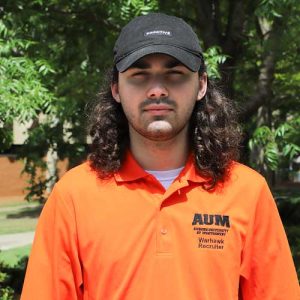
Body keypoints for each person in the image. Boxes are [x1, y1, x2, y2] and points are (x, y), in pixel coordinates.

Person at [21, 13, 299, 300]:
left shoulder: (247, 192)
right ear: (116, 89)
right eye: (139, 75)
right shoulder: (73, 196)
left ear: (201, 85)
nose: (157, 90)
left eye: (175, 74)